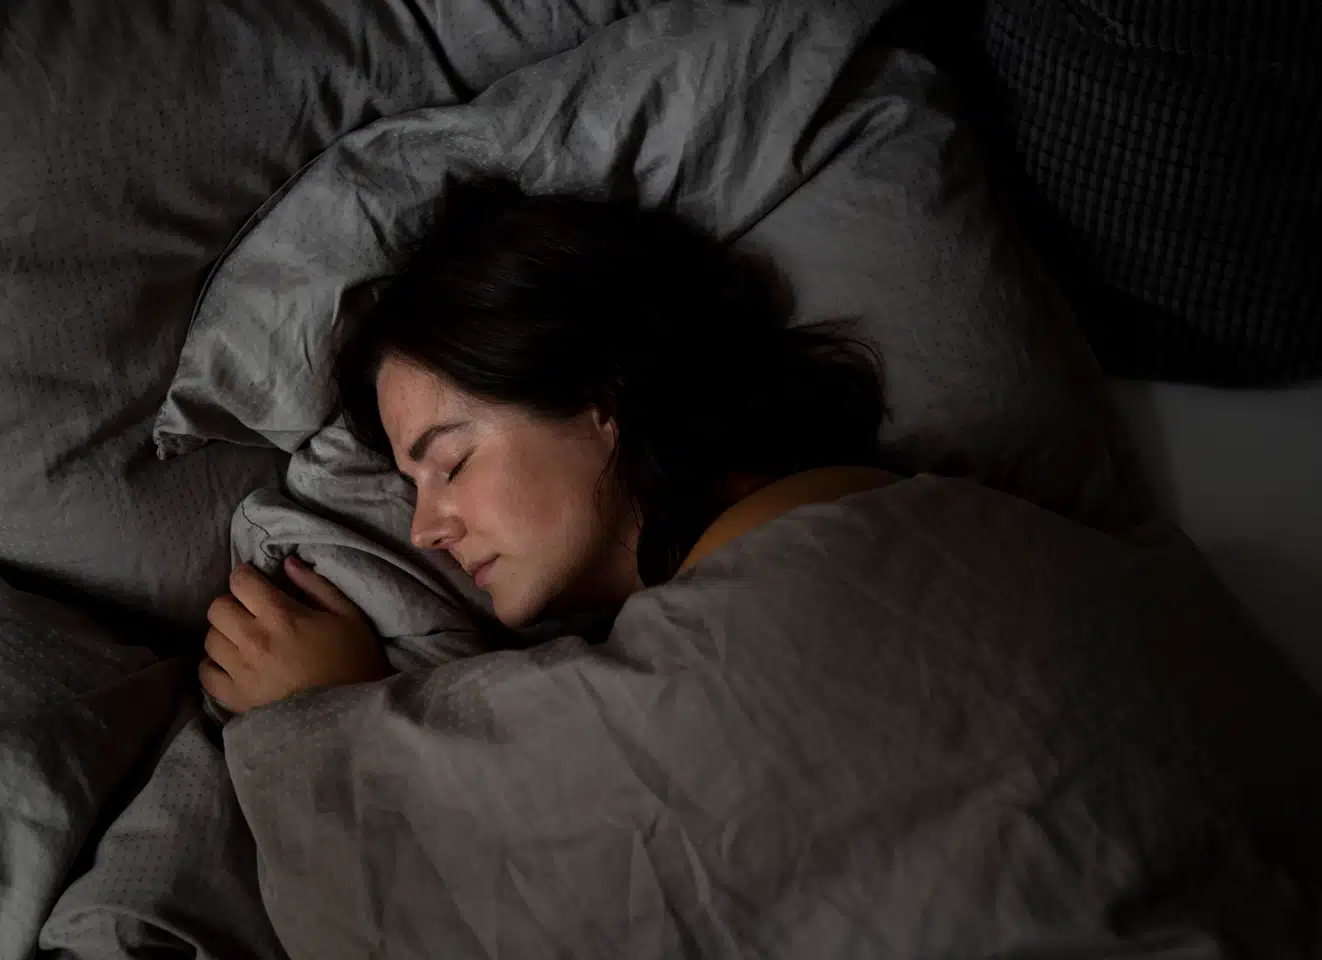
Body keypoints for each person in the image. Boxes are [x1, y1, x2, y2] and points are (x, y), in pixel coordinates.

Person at [199, 179, 895, 715]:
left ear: (605, 393)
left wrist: (342, 714)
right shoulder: (684, 610)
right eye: (414, 487)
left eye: (452, 463)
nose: (425, 530)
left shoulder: (796, 540)